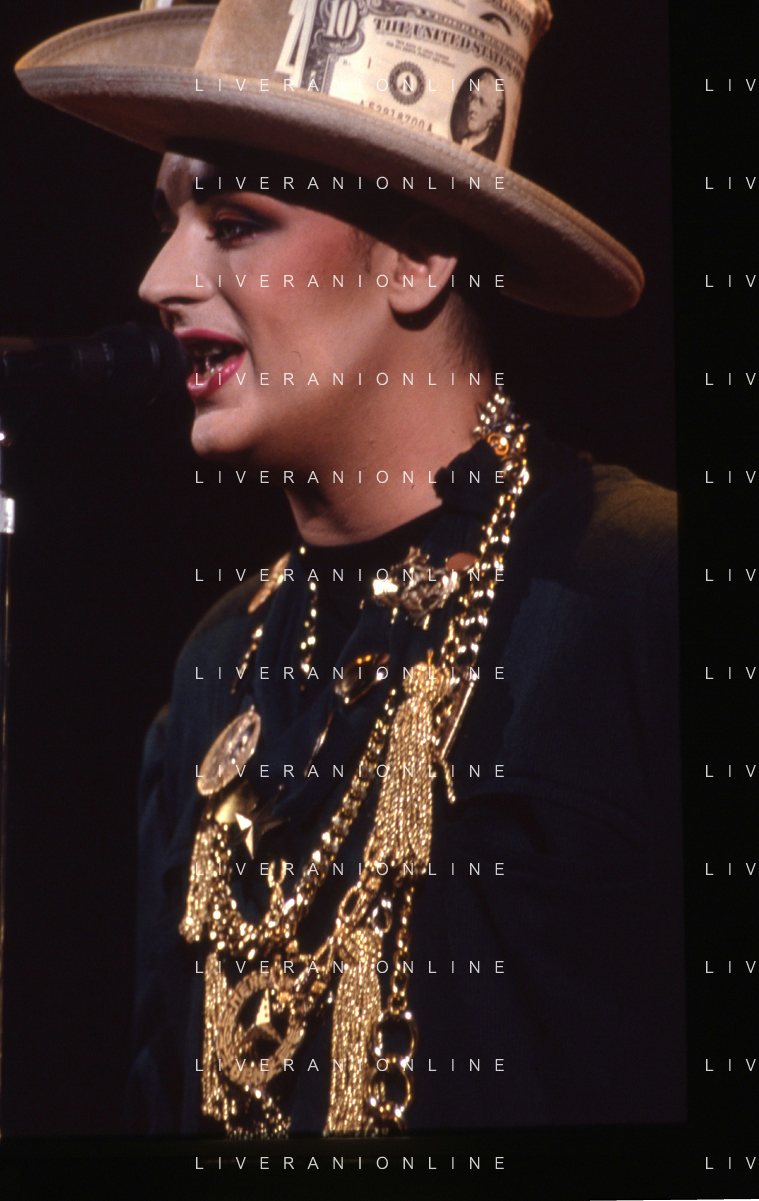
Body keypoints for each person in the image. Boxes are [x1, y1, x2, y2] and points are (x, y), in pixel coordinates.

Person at [16, 0, 685, 1137]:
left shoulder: (644, 590)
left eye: (235, 220)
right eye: (172, 217)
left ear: (418, 256)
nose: (160, 277)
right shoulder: (212, 671)